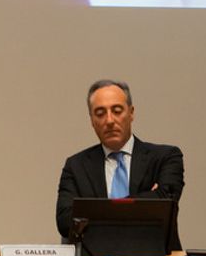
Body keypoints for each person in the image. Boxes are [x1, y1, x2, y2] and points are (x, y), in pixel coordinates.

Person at [54, 79, 184, 239]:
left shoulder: (166, 157)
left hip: (155, 253)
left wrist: (92, 210)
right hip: (96, 253)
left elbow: (166, 200)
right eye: (100, 113)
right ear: (92, 120)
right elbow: (65, 221)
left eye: (117, 111)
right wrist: (148, 199)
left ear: (131, 113)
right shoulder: (76, 166)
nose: (109, 120)